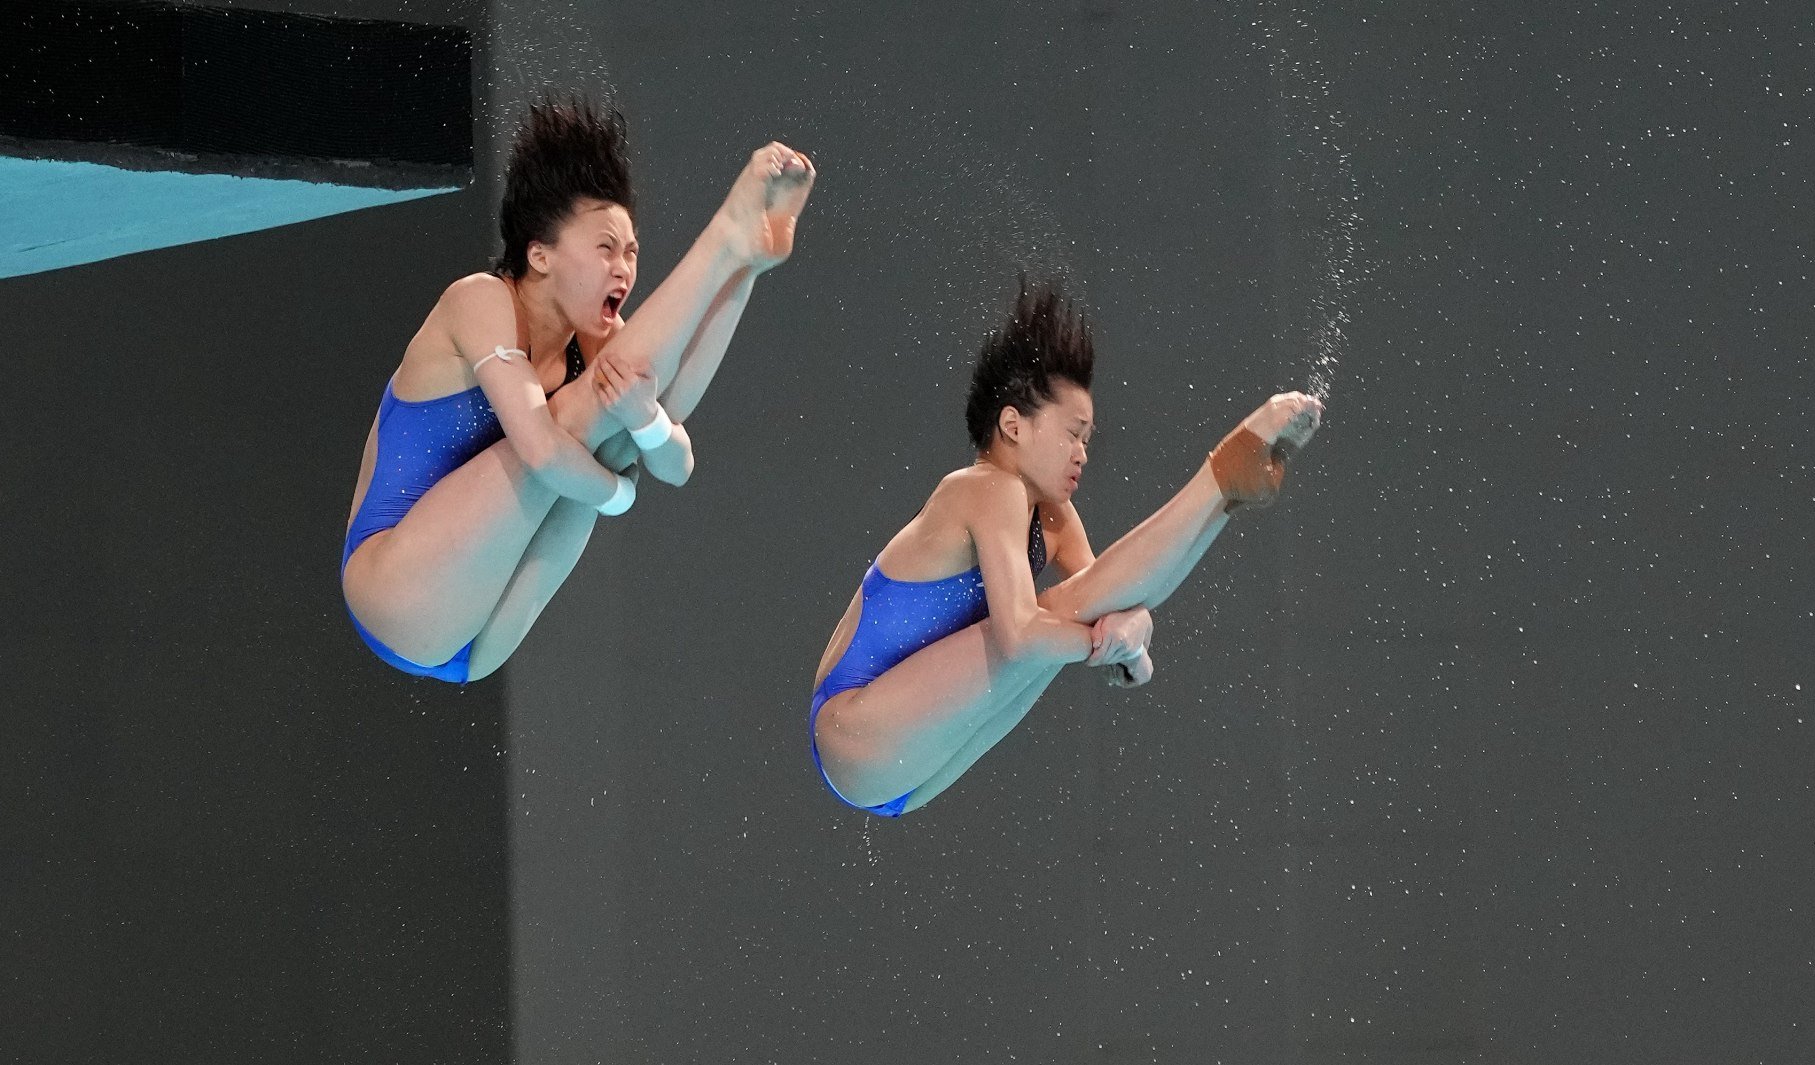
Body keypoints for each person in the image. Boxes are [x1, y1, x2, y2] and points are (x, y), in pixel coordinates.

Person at [340, 97, 814, 682]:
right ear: (539, 255)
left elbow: (677, 455)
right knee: (583, 421)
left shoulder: (595, 338)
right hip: (397, 593)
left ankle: (740, 260)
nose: (625, 268)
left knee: (621, 412)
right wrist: (619, 493)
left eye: (632, 252)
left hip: (477, 641)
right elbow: (540, 449)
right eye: (606, 248)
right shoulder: (479, 301)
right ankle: (724, 240)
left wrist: (742, 283)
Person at [808, 281, 1322, 815]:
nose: (1082, 453)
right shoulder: (982, 487)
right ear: (1012, 425)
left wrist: (1131, 632)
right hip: (853, 731)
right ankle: (1216, 481)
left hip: (907, 780)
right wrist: (1105, 640)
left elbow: (1122, 625)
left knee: (1070, 614)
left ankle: (1224, 502)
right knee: (1047, 623)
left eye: (1088, 440)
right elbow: (1024, 636)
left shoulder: (1054, 518)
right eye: (1073, 433)